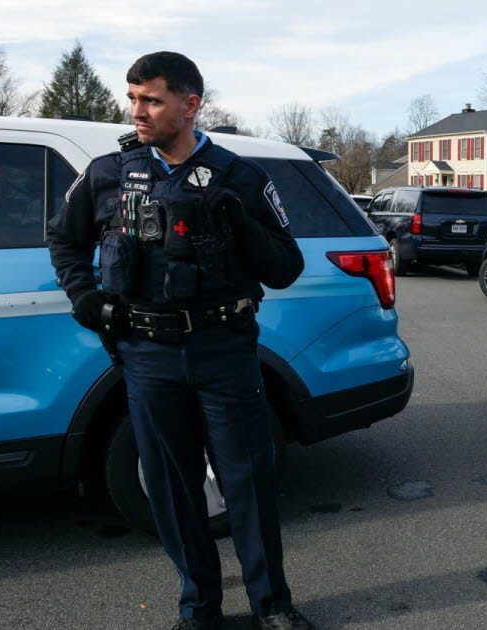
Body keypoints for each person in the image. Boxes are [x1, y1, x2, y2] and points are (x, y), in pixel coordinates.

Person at [47, 52, 313, 630]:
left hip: (224, 351)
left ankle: (273, 605)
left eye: (152, 100)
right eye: (133, 98)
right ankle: (200, 609)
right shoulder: (108, 172)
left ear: (191, 105)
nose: (137, 111)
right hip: (146, 356)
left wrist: (239, 220)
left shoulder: (241, 176)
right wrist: (83, 296)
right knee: (171, 490)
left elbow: (286, 267)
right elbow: (64, 242)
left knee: (247, 484)